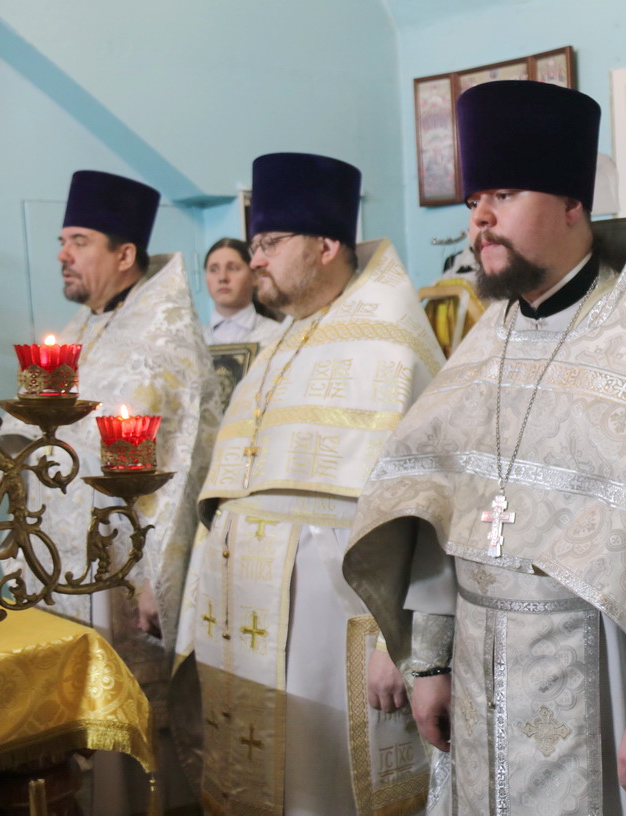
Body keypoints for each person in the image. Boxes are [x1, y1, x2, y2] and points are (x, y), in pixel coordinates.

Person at [343, 80, 626, 815]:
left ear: (572, 204)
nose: (480, 218)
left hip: (603, 675)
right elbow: (436, 514)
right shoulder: (486, 344)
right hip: (477, 667)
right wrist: (430, 661)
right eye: (474, 201)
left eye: (503, 195)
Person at [175, 152, 444, 815]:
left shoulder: (392, 342)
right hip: (246, 617)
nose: (255, 259)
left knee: (319, 792)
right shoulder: (280, 343)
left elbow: (429, 509)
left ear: (325, 246)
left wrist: (400, 643)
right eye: (254, 245)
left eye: (269, 242)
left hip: (331, 623)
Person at [0, 169, 220, 814]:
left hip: (119, 580)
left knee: (122, 742)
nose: (63, 254)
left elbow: (187, 464)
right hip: (55, 572)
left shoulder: (166, 341)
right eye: (61, 240)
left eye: (80, 241)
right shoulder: (77, 331)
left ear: (125, 255)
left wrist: (158, 580)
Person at [202, 236, 285, 346]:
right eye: (214, 270)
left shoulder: (277, 335)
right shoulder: (193, 340)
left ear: (255, 276)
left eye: (232, 268)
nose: (222, 277)